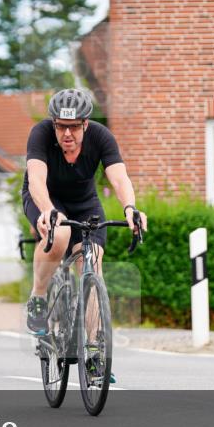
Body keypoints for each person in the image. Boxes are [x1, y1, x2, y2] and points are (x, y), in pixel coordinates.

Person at [22, 88, 147, 339]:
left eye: (74, 127)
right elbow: (36, 179)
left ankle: (93, 350)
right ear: (54, 124)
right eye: (61, 126)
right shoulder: (41, 134)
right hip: (46, 197)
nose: (67, 134)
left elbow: (119, 178)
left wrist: (130, 208)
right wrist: (48, 210)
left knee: (92, 261)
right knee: (58, 235)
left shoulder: (102, 137)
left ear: (86, 124)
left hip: (84, 203)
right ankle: (38, 296)